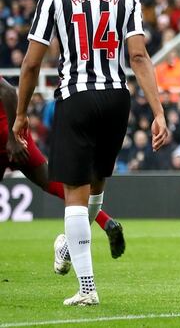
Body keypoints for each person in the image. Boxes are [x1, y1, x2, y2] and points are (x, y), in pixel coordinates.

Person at [15, 0, 170, 306]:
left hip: (76, 97)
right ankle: (68, 246)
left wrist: (20, 113)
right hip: (117, 98)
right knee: (96, 189)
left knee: (74, 194)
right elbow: (138, 57)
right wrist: (158, 111)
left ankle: (87, 289)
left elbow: (32, 64)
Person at [0, 77, 126, 257]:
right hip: (15, 135)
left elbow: (8, 90)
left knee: (60, 184)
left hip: (10, 136)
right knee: (55, 184)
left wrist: (12, 139)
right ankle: (106, 222)